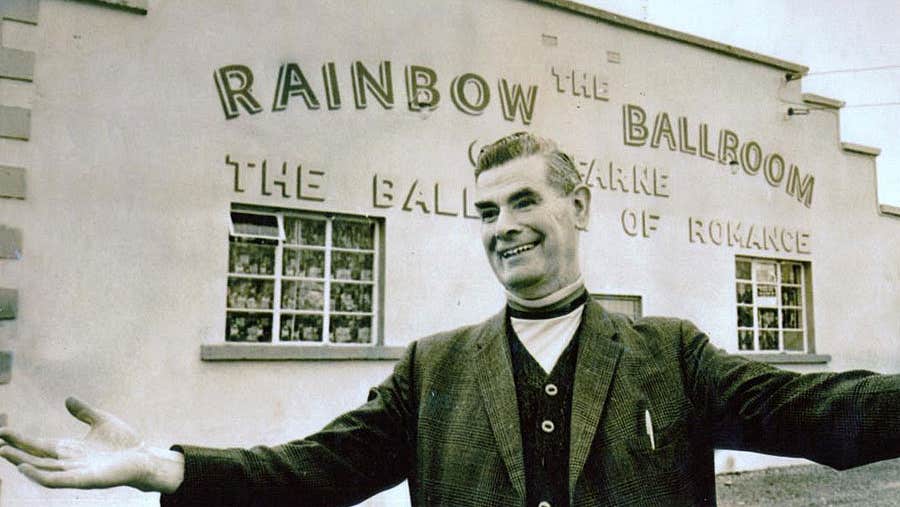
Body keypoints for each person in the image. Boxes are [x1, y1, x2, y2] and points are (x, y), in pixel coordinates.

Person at [1, 132, 898, 505]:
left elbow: (829, 412)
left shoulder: (673, 356)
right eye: (485, 212)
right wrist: (165, 465)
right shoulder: (433, 371)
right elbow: (313, 470)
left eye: (522, 202)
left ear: (577, 207)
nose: (504, 227)